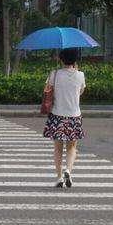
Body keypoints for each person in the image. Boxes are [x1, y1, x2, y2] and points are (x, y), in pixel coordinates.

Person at [42, 48, 86, 188]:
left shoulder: (54, 74)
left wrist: (53, 78)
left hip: (57, 115)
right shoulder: (81, 75)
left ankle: (59, 177)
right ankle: (68, 170)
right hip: (74, 115)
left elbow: (47, 90)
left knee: (58, 148)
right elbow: (81, 91)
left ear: (61, 59)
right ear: (75, 60)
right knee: (72, 147)